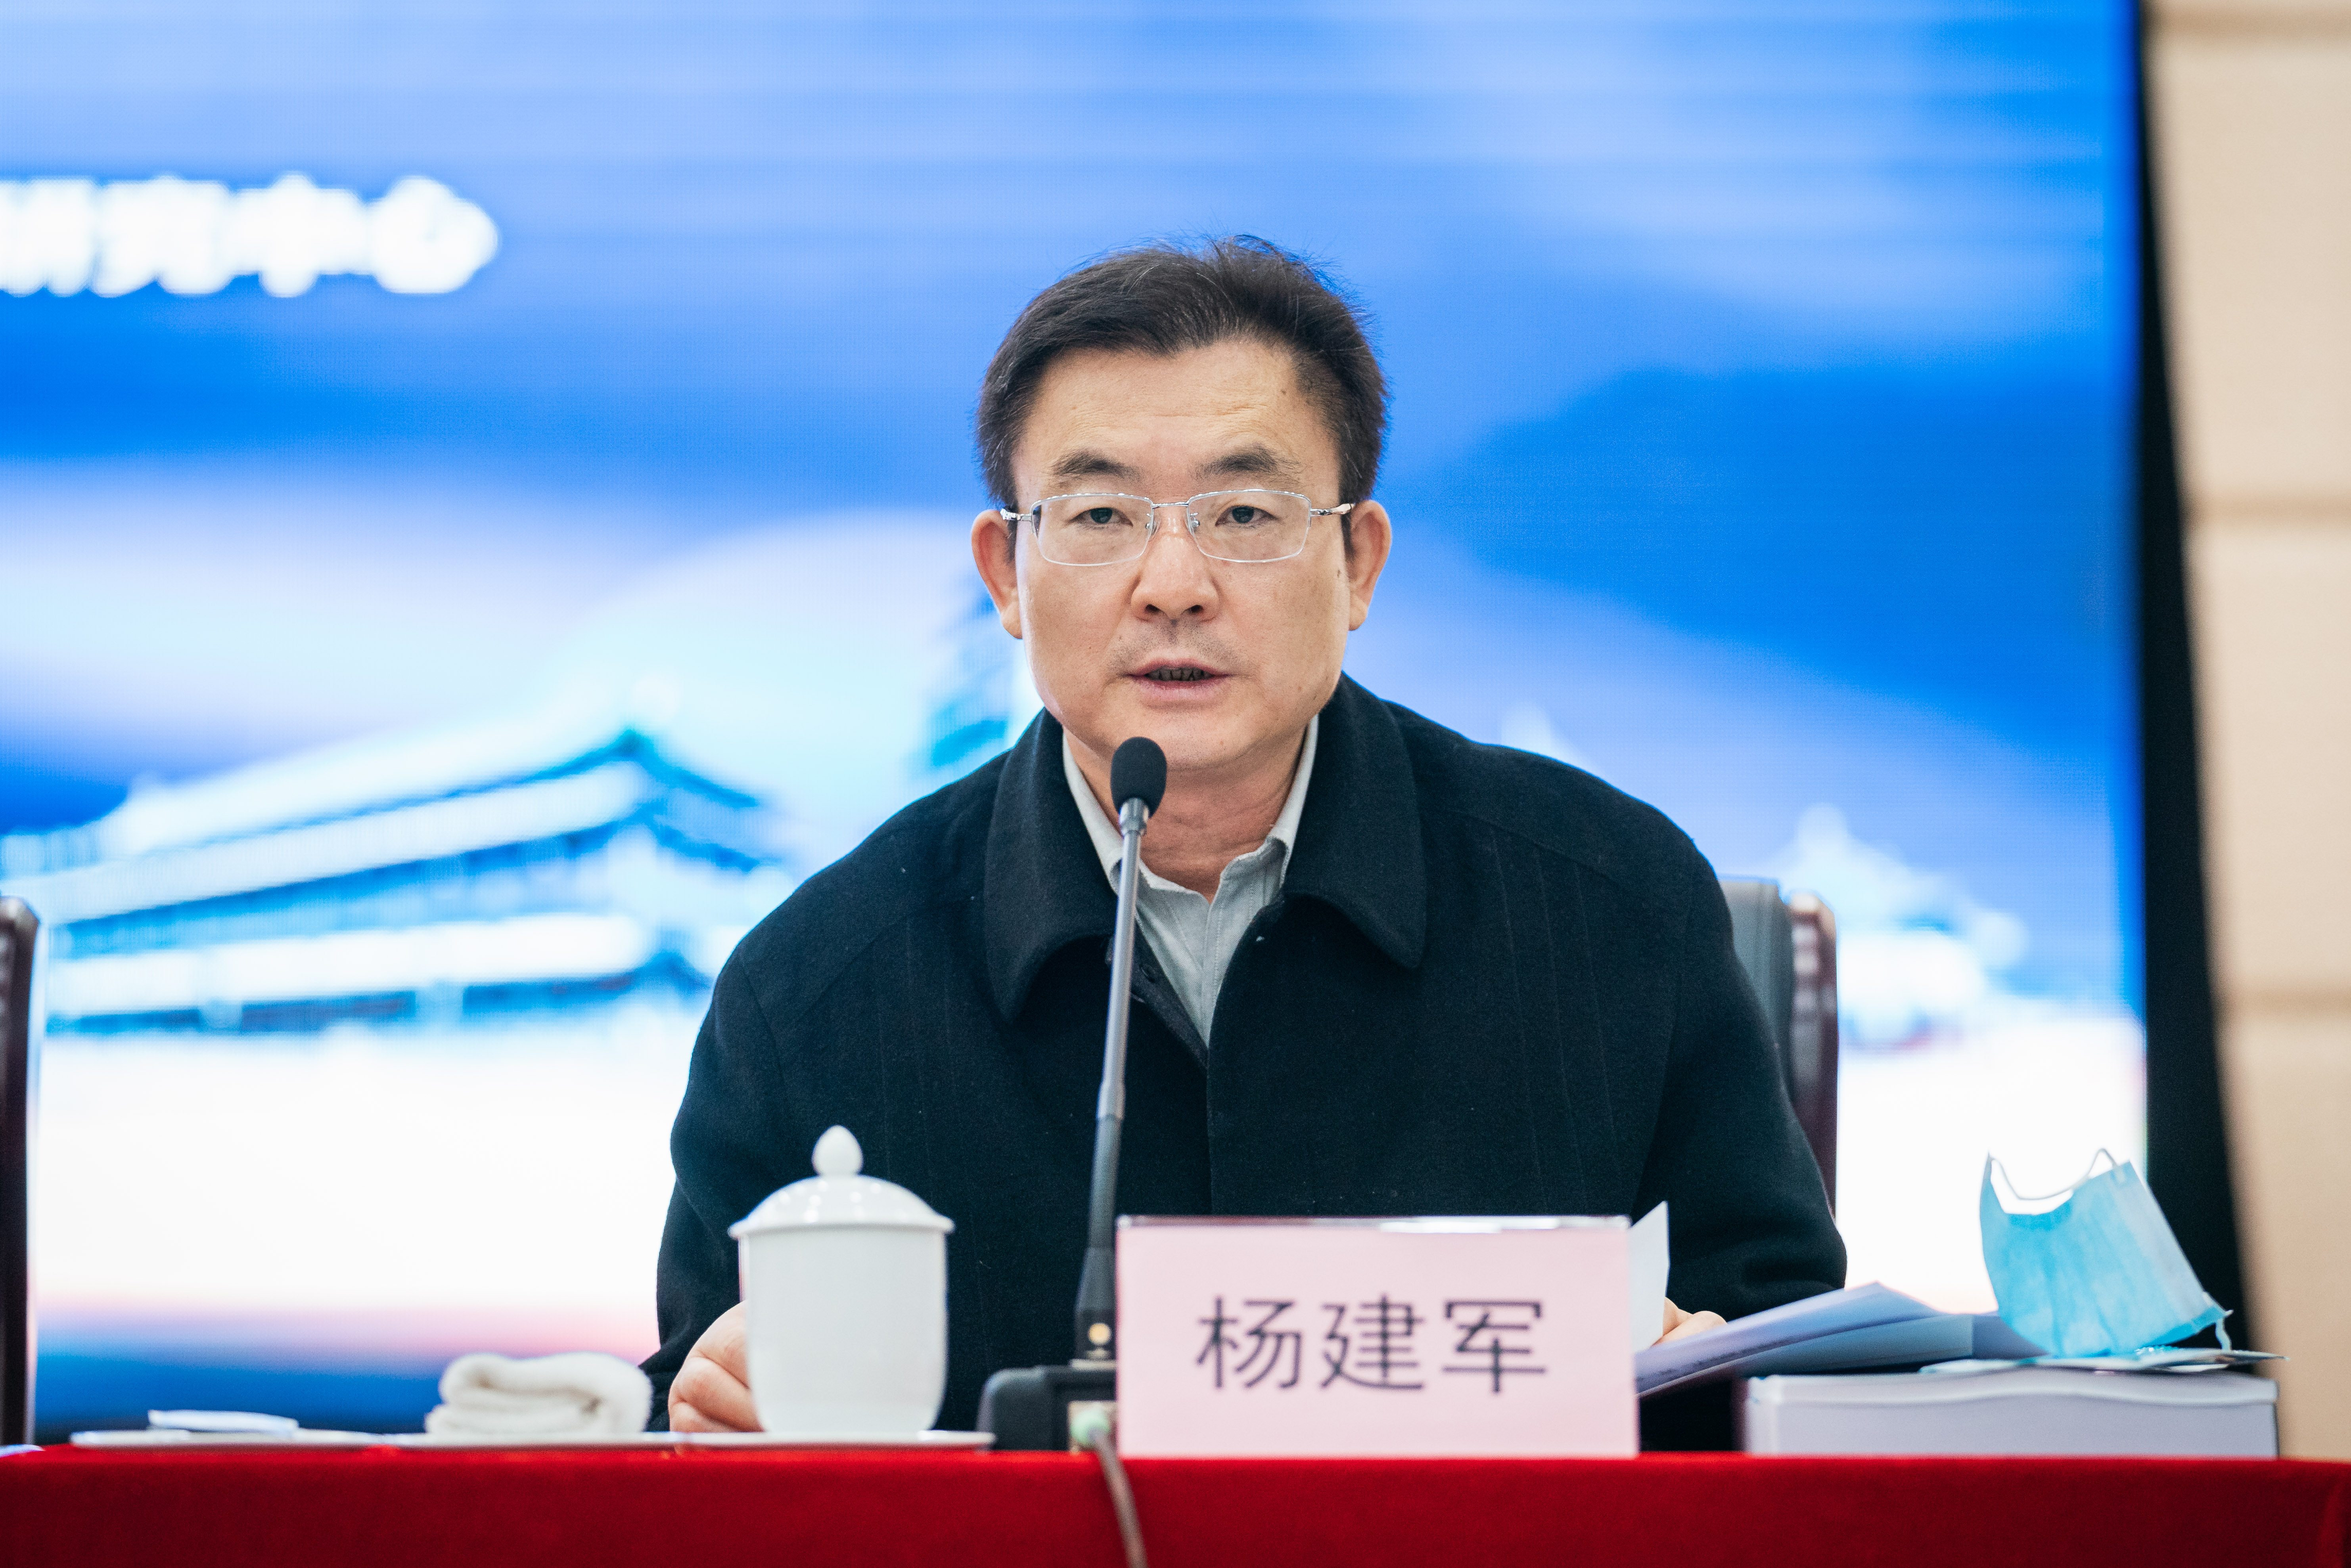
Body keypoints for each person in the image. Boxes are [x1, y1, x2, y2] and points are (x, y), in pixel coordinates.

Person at [646, 237, 1845, 1432]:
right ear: (1005, 573)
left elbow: (1806, 1368)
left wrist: (1716, 1375)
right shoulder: (815, 991)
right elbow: (684, 1413)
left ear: (1357, 562)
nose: (1173, 583)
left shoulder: (1609, 908)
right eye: (1101, 513)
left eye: (1243, 512)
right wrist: (713, 1416)